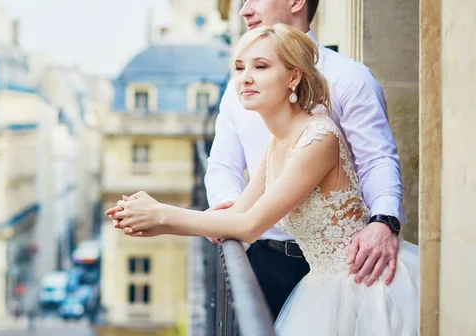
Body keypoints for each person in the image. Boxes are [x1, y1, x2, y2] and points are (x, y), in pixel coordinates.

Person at [106, 24, 418, 335]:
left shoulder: (319, 137)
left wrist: (161, 211)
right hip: (325, 285)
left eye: (261, 66)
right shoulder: (277, 144)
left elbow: (250, 226)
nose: (246, 78)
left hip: (363, 285)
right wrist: (159, 225)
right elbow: (238, 214)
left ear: (293, 76)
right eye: (240, 68)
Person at [203, 0, 405, 319]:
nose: (245, 10)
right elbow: (221, 164)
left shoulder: (350, 78)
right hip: (264, 259)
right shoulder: (238, 89)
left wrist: (384, 221)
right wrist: (226, 206)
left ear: (296, 0)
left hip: (347, 265)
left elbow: (377, 158)